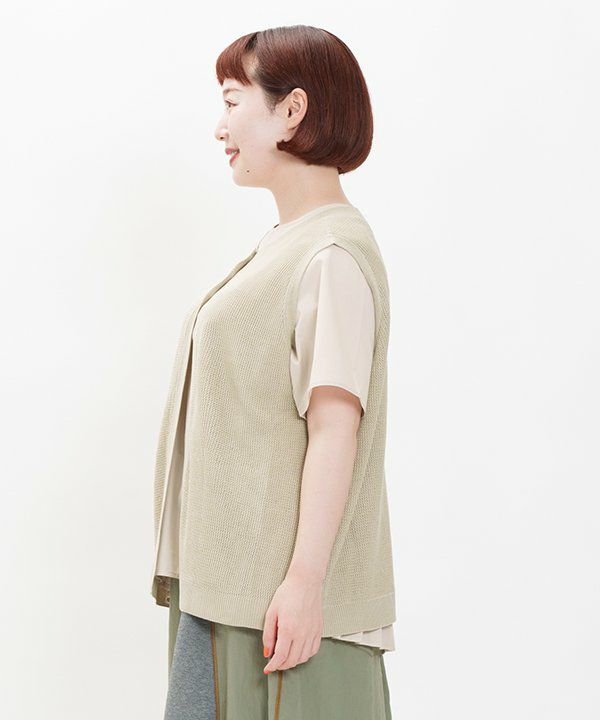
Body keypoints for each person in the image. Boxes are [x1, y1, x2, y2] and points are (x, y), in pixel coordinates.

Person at [150, 25, 395, 719]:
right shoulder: (290, 246)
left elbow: (335, 429)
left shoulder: (331, 255)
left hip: (273, 610)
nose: (219, 126)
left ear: (292, 110)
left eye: (233, 102)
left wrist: (306, 583)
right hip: (226, 590)